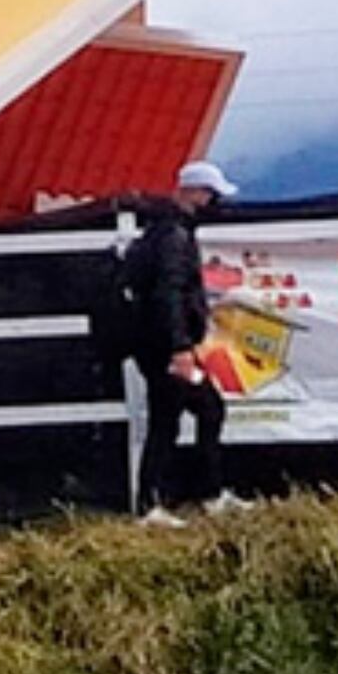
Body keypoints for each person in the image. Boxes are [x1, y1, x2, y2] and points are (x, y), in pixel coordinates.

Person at [121, 159, 245, 525]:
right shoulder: (174, 236)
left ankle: (164, 500)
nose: (214, 202)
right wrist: (179, 347)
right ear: (193, 191)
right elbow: (169, 293)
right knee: (202, 411)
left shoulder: (162, 231)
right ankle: (191, 496)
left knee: (174, 417)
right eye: (210, 194)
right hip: (167, 348)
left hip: (157, 344)